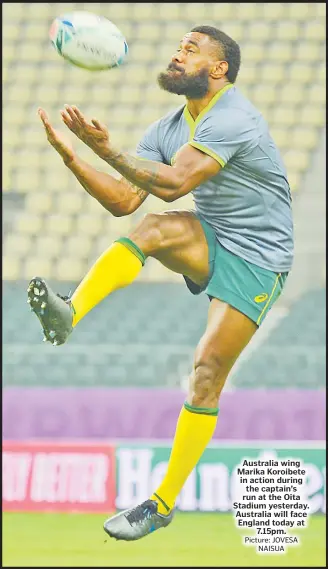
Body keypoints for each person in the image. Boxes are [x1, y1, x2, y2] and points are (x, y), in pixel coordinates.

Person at [28, 25, 294, 540]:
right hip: (214, 236)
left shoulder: (235, 116)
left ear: (219, 69)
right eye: (178, 47)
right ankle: (70, 313)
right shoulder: (169, 127)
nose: (177, 54)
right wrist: (72, 156)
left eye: (191, 50)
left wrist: (106, 150)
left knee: (206, 373)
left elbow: (173, 185)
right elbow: (126, 201)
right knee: (149, 228)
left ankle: (162, 502)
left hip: (261, 258)